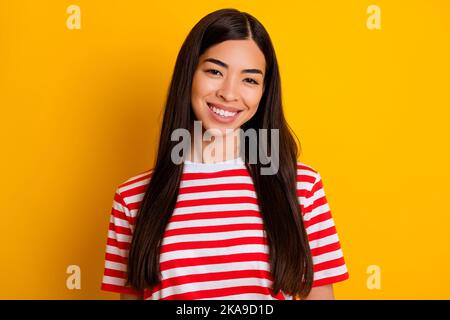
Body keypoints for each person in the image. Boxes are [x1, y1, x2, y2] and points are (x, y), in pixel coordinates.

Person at [101, 8, 349, 300]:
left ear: (264, 92)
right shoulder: (132, 199)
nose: (229, 93)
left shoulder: (302, 187)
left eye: (250, 80)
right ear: (189, 73)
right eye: (215, 71)